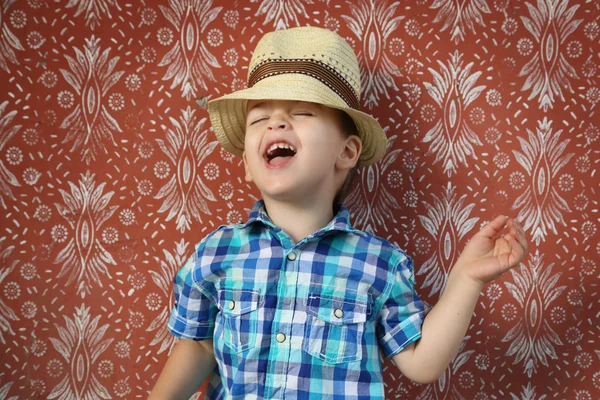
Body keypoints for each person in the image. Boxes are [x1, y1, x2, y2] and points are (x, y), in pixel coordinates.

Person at [148, 26, 528, 400]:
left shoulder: (379, 264)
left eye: (301, 112)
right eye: (259, 119)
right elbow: (197, 348)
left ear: (346, 153)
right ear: (247, 163)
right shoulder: (217, 252)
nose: (276, 122)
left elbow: (422, 363)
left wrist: (467, 278)